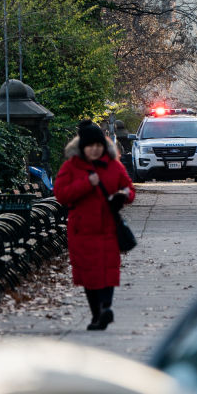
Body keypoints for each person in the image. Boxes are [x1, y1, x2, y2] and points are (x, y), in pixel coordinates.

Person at [53, 120, 135, 331]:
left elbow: (129, 189)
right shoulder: (71, 167)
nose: (95, 149)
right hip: (82, 229)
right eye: (91, 146)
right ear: (83, 147)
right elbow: (61, 195)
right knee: (89, 273)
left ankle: (106, 308)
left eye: (98, 145)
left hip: (108, 226)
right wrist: (86, 184)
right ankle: (97, 314)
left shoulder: (114, 165)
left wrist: (123, 195)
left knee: (108, 269)